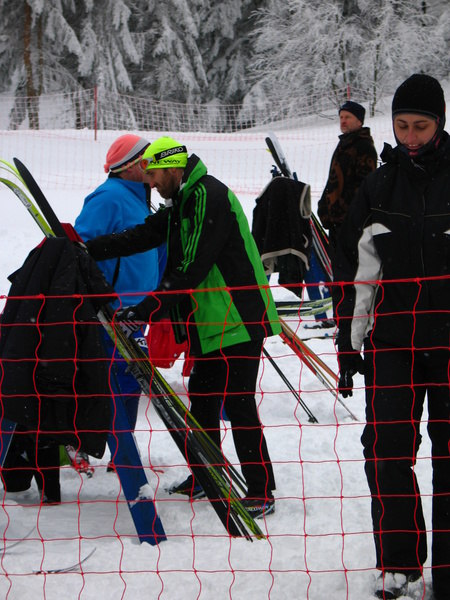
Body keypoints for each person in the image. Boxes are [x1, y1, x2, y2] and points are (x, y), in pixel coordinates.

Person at [84, 135, 281, 518]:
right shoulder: (182, 201)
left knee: (238, 402)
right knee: (203, 398)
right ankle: (209, 475)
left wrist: (146, 308)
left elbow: (192, 266)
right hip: (209, 321)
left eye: (154, 175)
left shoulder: (208, 195)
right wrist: (88, 249)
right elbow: (143, 234)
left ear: (172, 167)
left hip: (239, 317)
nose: (151, 183)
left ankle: (261, 490)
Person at [334, 74, 450, 600]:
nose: (410, 136)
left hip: (448, 341)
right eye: (402, 125)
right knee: (385, 450)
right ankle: (399, 565)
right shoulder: (379, 187)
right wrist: (349, 340)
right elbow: (357, 270)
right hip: (394, 342)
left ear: (439, 124)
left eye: (420, 126)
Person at [75, 134, 163, 471]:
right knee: (107, 379)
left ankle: (122, 451)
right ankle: (85, 445)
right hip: (113, 307)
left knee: (129, 380)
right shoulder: (109, 196)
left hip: (138, 308)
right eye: (146, 161)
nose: (152, 166)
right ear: (130, 166)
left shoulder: (140, 197)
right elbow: (81, 246)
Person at [317, 100, 378, 262]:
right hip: (336, 224)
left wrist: (345, 213)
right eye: (341, 117)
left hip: (353, 225)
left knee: (351, 270)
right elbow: (333, 179)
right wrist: (324, 207)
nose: (343, 121)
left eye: (348, 117)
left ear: (359, 121)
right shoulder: (343, 144)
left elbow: (363, 187)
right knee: (337, 268)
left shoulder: (364, 147)